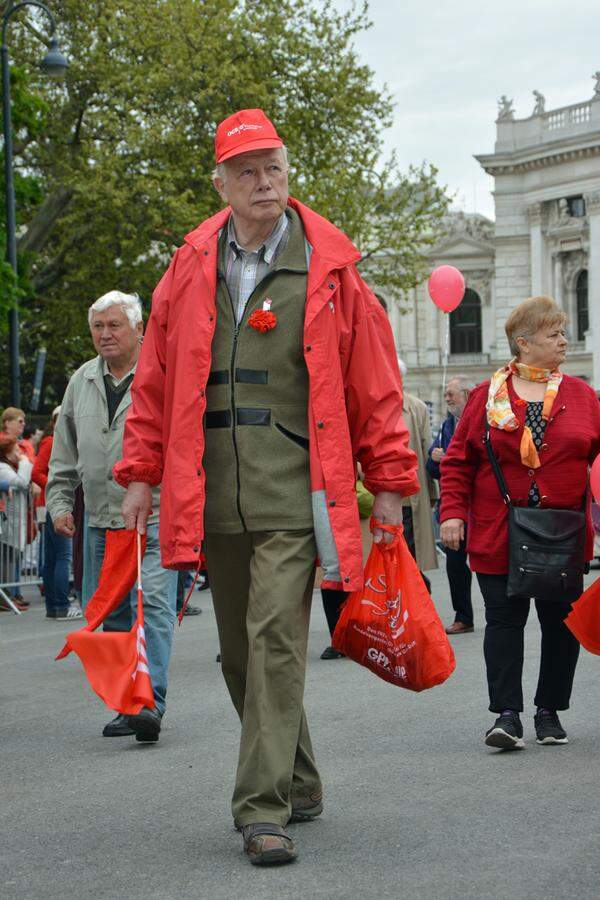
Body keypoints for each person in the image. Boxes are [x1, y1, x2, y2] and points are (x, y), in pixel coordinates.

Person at [114, 108, 419, 865]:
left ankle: (261, 808)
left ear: (288, 172)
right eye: (246, 171)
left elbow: (374, 386)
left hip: (295, 483)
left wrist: (387, 484)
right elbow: (152, 382)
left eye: (273, 168)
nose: (263, 183)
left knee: (276, 639)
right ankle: (303, 780)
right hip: (208, 486)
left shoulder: (333, 268)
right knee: (238, 656)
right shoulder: (189, 265)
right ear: (220, 183)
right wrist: (141, 474)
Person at [440, 296, 600, 750]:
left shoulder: (583, 397)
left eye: (564, 333)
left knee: (559, 623)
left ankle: (549, 712)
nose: (564, 342)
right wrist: (452, 512)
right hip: (498, 530)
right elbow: (457, 462)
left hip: (562, 532)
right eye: (554, 335)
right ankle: (507, 716)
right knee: (504, 622)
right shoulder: (483, 397)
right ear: (523, 343)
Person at [46, 290, 178, 743]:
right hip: (101, 518)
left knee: (154, 605)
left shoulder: (161, 373)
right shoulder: (81, 379)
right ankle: (128, 702)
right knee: (115, 613)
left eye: (114, 325)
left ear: (139, 328)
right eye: (98, 327)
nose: (105, 334)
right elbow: (64, 452)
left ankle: (150, 703)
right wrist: (59, 503)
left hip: (156, 513)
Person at [427, 375, 475, 634]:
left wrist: (447, 458)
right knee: (455, 564)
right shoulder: (447, 426)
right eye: (445, 394)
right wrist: (438, 460)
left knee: (490, 564)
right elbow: (432, 469)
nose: (446, 398)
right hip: (453, 506)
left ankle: (503, 613)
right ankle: (463, 617)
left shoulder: (484, 419)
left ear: (467, 395)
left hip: (478, 506)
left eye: (450, 394)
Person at [32, 407, 80, 621]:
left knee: (54, 556)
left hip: (53, 503)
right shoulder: (52, 443)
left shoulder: (53, 442)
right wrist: (56, 488)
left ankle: (55, 605)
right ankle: (60, 603)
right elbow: (37, 472)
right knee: (62, 556)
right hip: (55, 505)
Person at [397, 359, 438, 591]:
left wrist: (431, 495)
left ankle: (417, 606)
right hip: (377, 499)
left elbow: (426, 451)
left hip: (409, 500)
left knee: (411, 559)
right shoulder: (371, 406)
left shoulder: (416, 408)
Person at [0, 433, 33, 611]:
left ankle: (12, 593)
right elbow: (21, 482)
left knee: (14, 557)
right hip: (9, 522)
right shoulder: (3, 467)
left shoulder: (8, 467)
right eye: (15, 449)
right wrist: (24, 463)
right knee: (9, 558)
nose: (19, 452)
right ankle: (7, 596)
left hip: (14, 520)